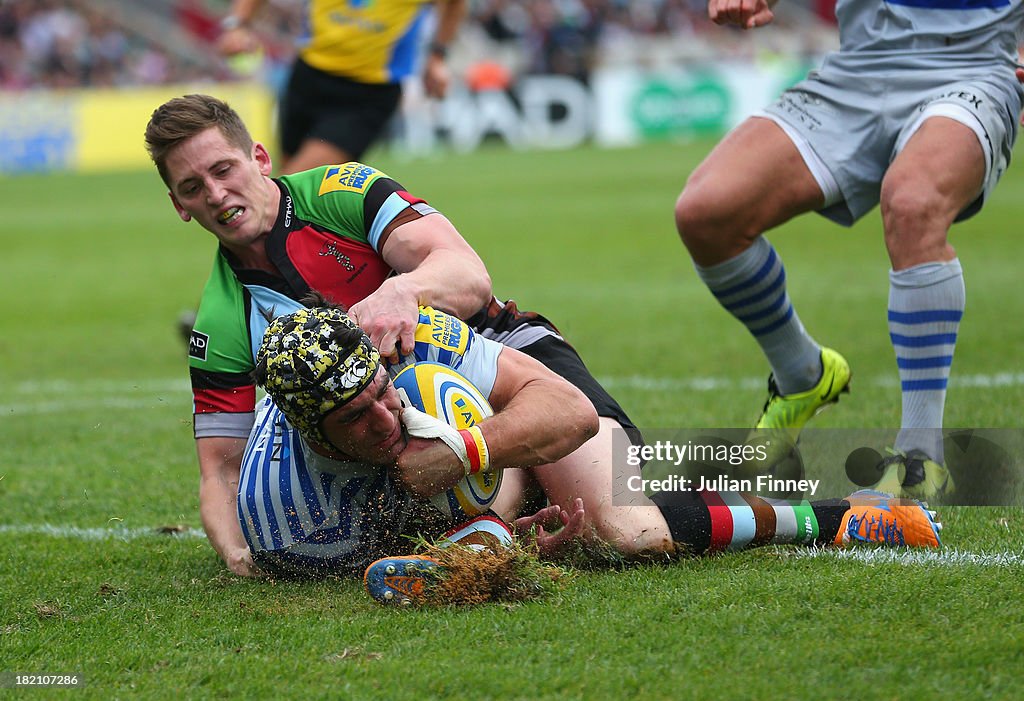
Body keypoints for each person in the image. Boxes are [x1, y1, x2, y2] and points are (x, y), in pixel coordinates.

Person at [144, 93, 657, 576]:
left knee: (629, 536)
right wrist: (238, 554)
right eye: (193, 187)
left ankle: (729, 472)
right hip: (398, 424)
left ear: (259, 158)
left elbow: (471, 277)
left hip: (507, 361)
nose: (215, 194)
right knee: (418, 446)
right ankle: (506, 515)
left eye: (222, 169)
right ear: (179, 205)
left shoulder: (342, 191)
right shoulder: (220, 320)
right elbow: (220, 471)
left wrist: (405, 291)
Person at [247, 301, 943, 601]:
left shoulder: (406, 341)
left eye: (379, 391)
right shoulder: (289, 518)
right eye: (357, 418)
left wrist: (461, 451)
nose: (385, 414)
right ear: (313, 433)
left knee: (628, 533)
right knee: (492, 517)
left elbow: (566, 413)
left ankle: (844, 514)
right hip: (477, 454)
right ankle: (492, 527)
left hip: (524, 372)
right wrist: (503, 523)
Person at [674, 0, 1023, 499]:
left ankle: (921, 460)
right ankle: (802, 375)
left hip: (969, 69)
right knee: (706, 212)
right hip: (857, 71)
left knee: (913, 202)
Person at [216, 0, 466, 174]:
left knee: (291, 186)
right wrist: (238, 25)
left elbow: (455, 4)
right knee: (295, 191)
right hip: (308, 76)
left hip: (368, 93)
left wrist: (437, 56)